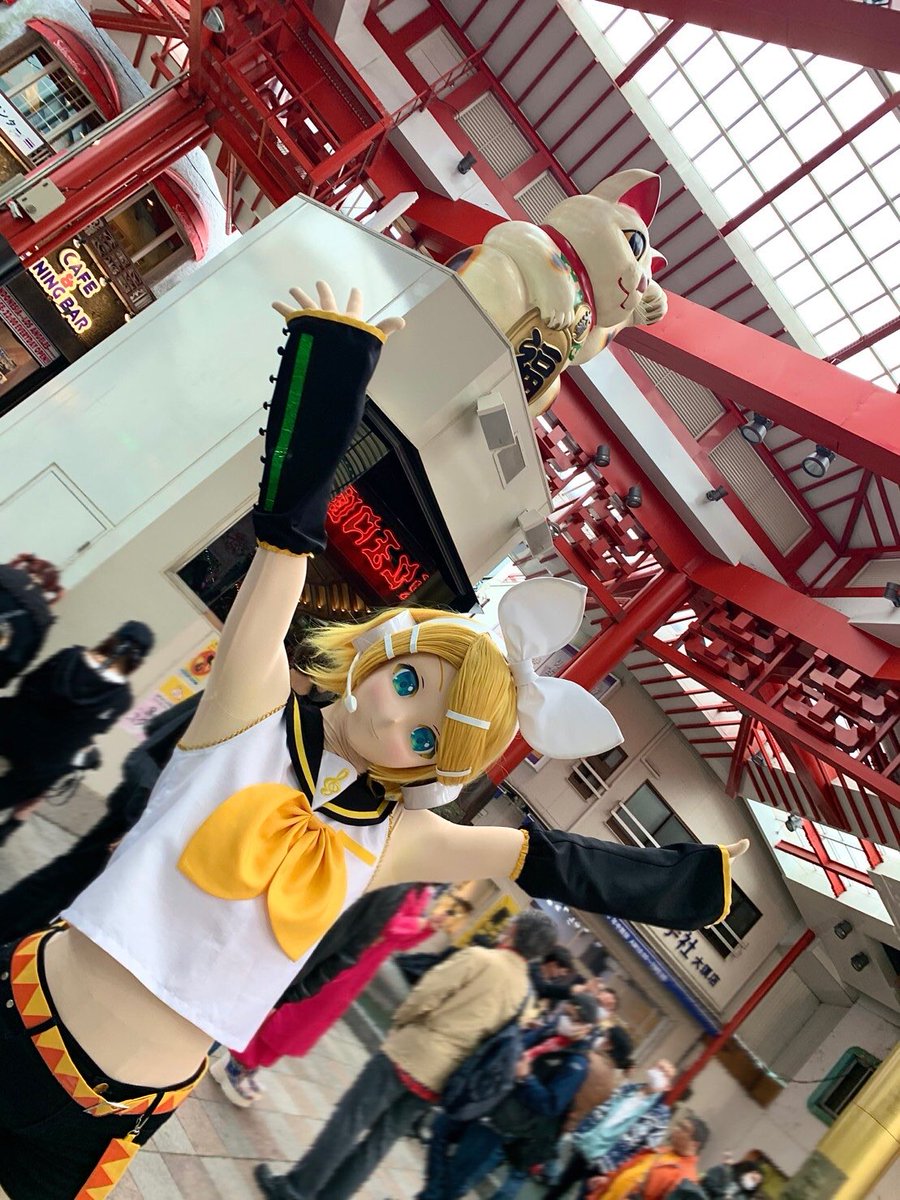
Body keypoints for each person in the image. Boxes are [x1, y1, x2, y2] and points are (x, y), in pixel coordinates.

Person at [0, 280, 744, 1200]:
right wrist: (336, 359)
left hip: (121, 1109)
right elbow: (285, 542)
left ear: (438, 763)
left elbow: (542, 857)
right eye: (407, 681)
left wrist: (688, 881)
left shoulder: (396, 837)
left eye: (426, 732)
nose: (396, 720)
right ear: (384, 651)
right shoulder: (250, 711)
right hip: (29, 1008)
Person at [256, 908, 558, 1199]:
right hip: (442, 1078)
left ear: (513, 929)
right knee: (380, 1142)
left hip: (412, 1052)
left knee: (351, 1119)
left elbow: (426, 994)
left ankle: (296, 1188)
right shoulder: (525, 996)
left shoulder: (479, 958)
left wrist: (401, 1022)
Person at [0, 695, 200, 943]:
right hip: (152, 802)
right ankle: (16, 942)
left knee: (70, 876)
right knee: (78, 886)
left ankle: (16, 940)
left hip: (146, 789)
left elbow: (158, 725)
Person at [211, 884, 434, 1105]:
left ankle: (247, 1063)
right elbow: (384, 924)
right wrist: (421, 924)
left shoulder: (422, 891)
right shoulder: (402, 884)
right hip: (347, 960)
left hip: (359, 971)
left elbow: (401, 942)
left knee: (304, 1026)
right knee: (292, 1016)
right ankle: (239, 1061)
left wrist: (430, 926)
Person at [421, 992, 600, 1200]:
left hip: (501, 1120)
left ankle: (432, 1195)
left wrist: (527, 1078)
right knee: (439, 1131)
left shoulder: (576, 1064)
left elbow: (551, 1104)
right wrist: (529, 1033)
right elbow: (516, 1050)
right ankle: (432, 1192)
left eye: (573, 1018)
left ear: (586, 1028)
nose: (565, 1020)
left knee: (458, 1174)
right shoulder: (547, 1034)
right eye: (565, 1013)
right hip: (484, 1099)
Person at [0, 620, 154, 844]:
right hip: (39, 763)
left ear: (112, 637)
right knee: (56, 771)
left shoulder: (69, 657)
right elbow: (92, 730)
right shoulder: (121, 699)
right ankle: (10, 826)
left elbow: (28, 684)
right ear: (138, 662)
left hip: (10, 728)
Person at [544, 1060, 677, 1200]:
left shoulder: (660, 1114)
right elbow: (602, 1108)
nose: (659, 1073)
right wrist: (582, 1129)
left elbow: (647, 1149)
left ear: (668, 1086)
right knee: (561, 1185)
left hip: (610, 1162)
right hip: (588, 1144)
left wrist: (621, 1169)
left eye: (665, 1074)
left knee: (586, 1196)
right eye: (658, 1068)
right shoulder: (628, 1089)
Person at [586, 1114, 710, 1200]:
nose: (675, 1129)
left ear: (694, 1144)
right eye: (678, 1125)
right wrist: (609, 1180)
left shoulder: (687, 1178)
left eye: (683, 1128)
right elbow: (630, 1168)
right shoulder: (663, 1150)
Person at [0, 553, 63, 688]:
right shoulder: (41, 624)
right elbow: (16, 666)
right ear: (50, 590)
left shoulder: (4, 573)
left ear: (25, 565)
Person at [564, 1024, 634, 1133]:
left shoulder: (588, 1059)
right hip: (567, 1125)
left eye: (603, 1036)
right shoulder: (611, 1084)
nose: (599, 1038)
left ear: (609, 1045)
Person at [699, 1154, 765, 1199]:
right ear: (748, 1172)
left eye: (756, 1183)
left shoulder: (743, 1196)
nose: (752, 1183)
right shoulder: (725, 1170)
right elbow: (708, 1182)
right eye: (753, 1179)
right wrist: (724, 1195)